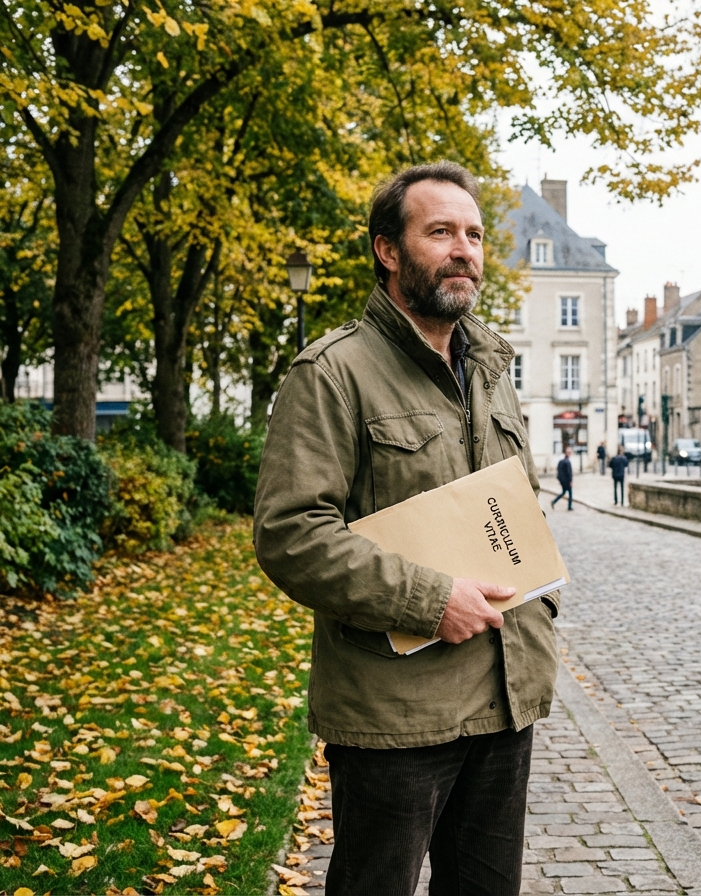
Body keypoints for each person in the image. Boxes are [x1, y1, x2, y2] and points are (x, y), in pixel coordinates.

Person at [254, 163, 557, 896]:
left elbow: (519, 501)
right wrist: (430, 599)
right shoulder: (333, 372)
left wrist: (542, 603)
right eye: (441, 232)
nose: (464, 250)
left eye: (474, 235)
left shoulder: (491, 368)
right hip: (394, 716)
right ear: (388, 250)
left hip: (504, 701)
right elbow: (292, 533)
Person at [551, 446, 574, 510]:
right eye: (569, 452)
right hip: (567, 481)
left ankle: (554, 501)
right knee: (570, 493)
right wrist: (570, 481)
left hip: (562, 481)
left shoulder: (561, 461)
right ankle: (569, 506)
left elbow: (558, 470)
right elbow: (569, 473)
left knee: (563, 492)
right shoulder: (567, 462)